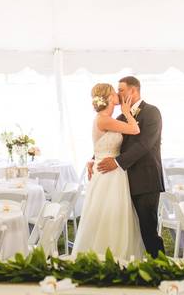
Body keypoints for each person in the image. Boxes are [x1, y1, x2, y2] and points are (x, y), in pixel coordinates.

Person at [92, 76, 165, 256]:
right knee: (128, 229)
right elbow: (110, 144)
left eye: (121, 90)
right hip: (123, 182)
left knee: (148, 229)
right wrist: (93, 159)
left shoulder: (152, 112)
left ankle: (161, 267)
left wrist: (116, 162)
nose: (118, 94)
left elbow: (145, 145)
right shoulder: (119, 117)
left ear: (133, 91)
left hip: (145, 179)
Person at [71, 82, 144, 258]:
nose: (118, 95)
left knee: (113, 210)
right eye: (115, 92)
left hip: (111, 170)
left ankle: (117, 251)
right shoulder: (104, 119)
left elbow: (100, 146)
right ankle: (108, 253)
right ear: (109, 97)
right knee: (108, 211)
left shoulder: (107, 118)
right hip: (108, 173)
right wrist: (127, 112)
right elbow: (135, 129)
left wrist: (92, 159)